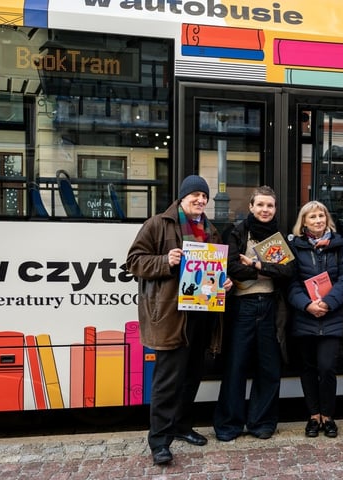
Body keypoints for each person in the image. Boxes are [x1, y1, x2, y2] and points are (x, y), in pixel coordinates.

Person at [126, 175, 233, 466]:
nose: (200, 200)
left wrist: (224, 282)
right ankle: (160, 442)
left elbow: (214, 272)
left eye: (204, 196)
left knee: (192, 376)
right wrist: (166, 260)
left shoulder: (211, 230)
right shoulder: (158, 224)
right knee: (167, 381)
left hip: (203, 315)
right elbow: (133, 261)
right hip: (172, 316)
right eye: (195, 195)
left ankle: (182, 427)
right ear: (182, 197)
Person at [213, 186, 294, 441]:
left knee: (268, 368)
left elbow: (288, 272)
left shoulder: (279, 237)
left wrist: (257, 265)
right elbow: (231, 267)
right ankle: (229, 425)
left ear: (275, 209)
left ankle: (262, 423)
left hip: (270, 307)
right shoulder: (237, 232)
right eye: (260, 205)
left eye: (270, 205)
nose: (265, 210)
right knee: (235, 367)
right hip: (242, 307)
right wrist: (266, 271)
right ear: (251, 206)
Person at [286, 201, 343, 439]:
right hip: (304, 316)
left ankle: (328, 415)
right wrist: (307, 305)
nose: (318, 220)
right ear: (304, 222)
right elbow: (290, 282)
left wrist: (327, 303)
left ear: (327, 219)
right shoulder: (294, 247)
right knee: (307, 368)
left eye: (321, 216)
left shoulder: (340, 245)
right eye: (312, 217)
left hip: (331, 316)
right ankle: (314, 416)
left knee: (327, 368)